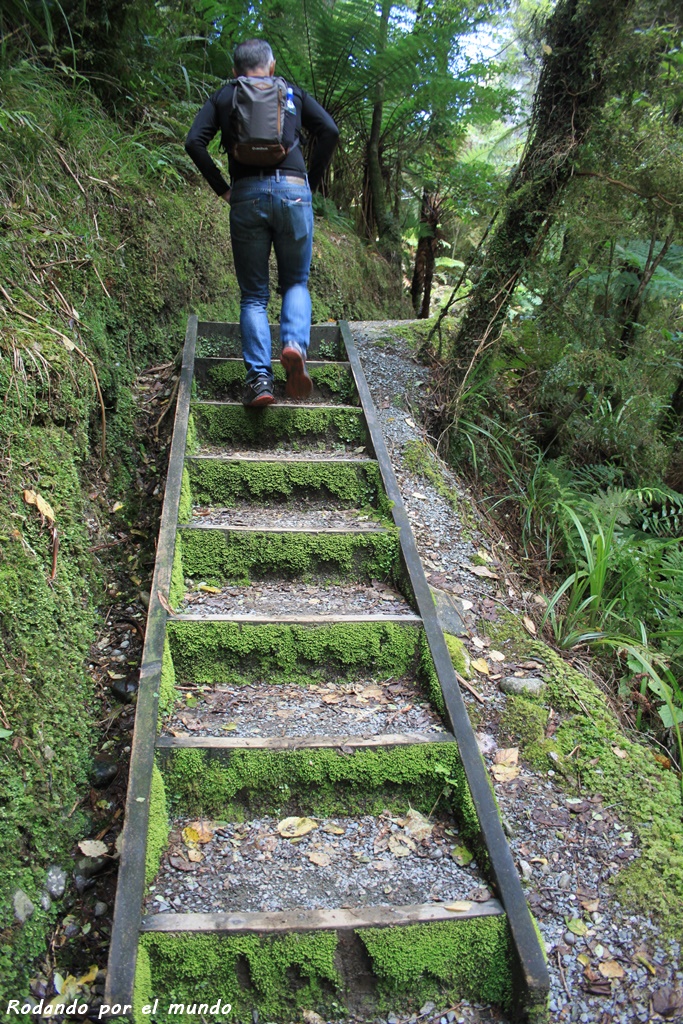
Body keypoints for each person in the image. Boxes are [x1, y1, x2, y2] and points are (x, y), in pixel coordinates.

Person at [185, 39, 339, 406]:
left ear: (235, 72)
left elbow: (194, 142)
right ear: (271, 68)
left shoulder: (225, 96)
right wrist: (309, 183)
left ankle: (260, 381)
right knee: (296, 282)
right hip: (294, 192)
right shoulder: (291, 93)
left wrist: (223, 189)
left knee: (254, 295)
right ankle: (293, 344)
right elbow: (329, 131)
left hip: (246, 197)